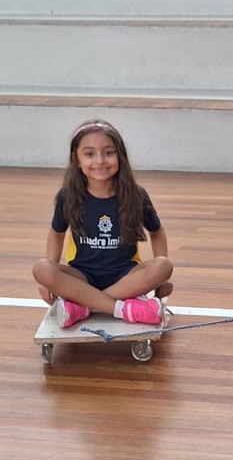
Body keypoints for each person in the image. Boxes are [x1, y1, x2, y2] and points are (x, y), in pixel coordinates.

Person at [33, 120, 173, 328]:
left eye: (108, 153)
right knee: (42, 268)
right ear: (77, 159)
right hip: (82, 276)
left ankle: (84, 306)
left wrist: (161, 281)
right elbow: (56, 233)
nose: (100, 161)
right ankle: (123, 309)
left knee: (163, 266)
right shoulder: (68, 196)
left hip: (125, 276)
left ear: (120, 156)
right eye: (89, 154)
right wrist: (49, 281)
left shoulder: (136, 195)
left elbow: (157, 231)